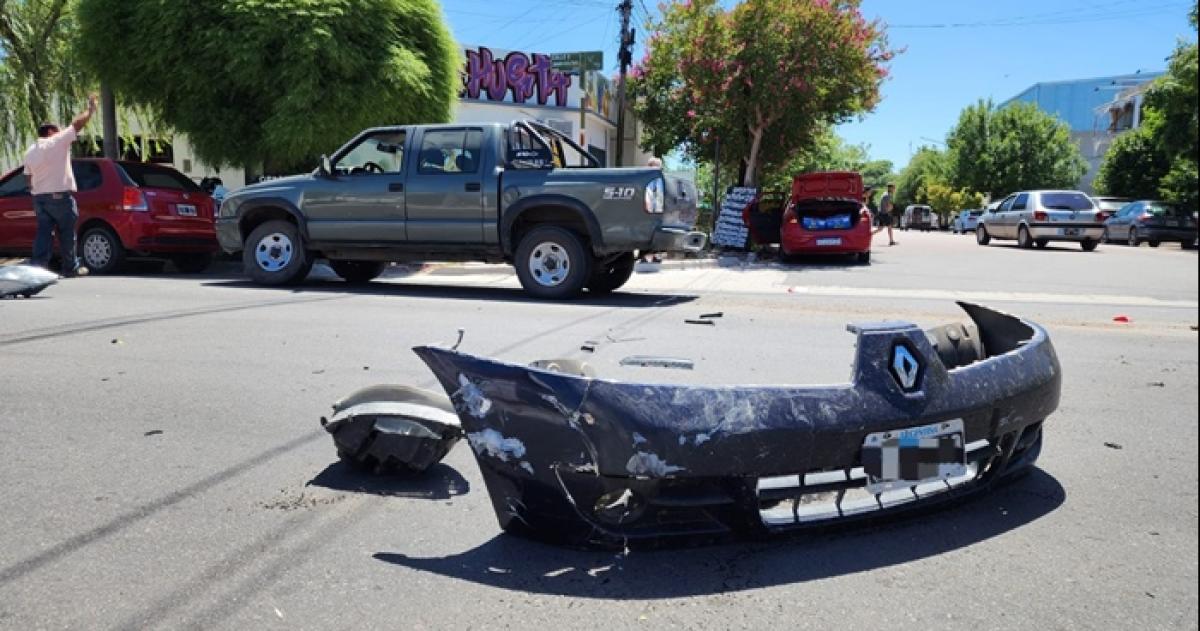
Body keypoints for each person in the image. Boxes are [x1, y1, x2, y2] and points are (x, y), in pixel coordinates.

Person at [24, 93, 99, 277]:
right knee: (66, 232)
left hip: (39, 197)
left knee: (44, 232)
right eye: (57, 130)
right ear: (50, 132)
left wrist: (34, 192)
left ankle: (38, 267)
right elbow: (76, 125)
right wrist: (90, 109)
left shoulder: (30, 151)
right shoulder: (56, 141)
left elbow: (27, 176)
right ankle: (70, 267)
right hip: (58, 196)